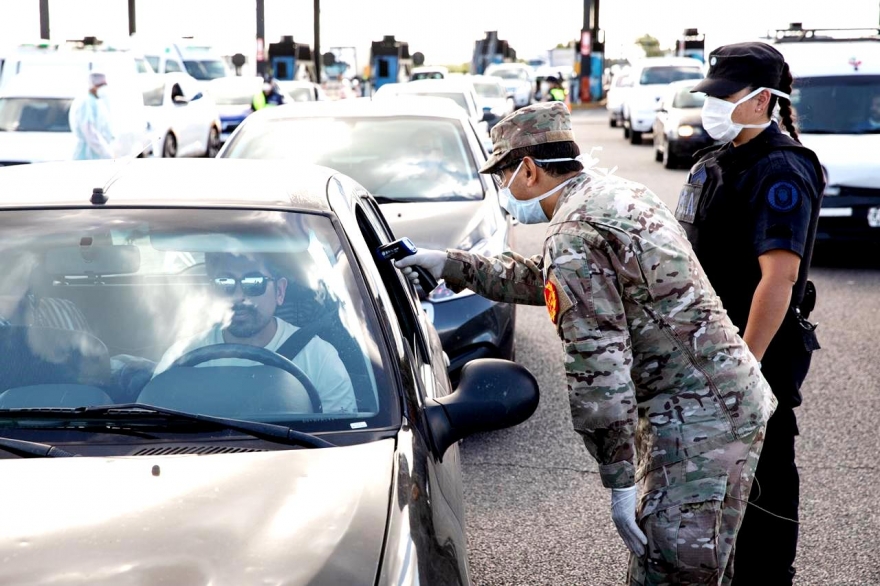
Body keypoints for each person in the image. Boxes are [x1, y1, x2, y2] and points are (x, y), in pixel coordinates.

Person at [397, 102, 776, 585]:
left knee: (672, 573)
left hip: (699, 421)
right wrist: (446, 262)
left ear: (528, 170)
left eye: (503, 175)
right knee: (704, 567)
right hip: (718, 402)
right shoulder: (612, 194)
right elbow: (552, 281)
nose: (503, 190)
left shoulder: (575, 232)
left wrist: (619, 481)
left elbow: (600, 372)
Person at [675, 42, 824, 585]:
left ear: (763, 101)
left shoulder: (780, 169)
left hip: (752, 358)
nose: (713, 105)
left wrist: (745, 368)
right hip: (709, 354)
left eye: (726, 96)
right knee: (714, 483)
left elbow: (779, 278)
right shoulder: (716, 160)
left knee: (763, 480)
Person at [154, 252, 357, 414]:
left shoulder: (320, 358)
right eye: (225, 283)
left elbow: (342, 440)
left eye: (254, 283)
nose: (239, 296)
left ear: (280, 291)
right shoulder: (179, 358)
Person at [69, 72, 115, 160]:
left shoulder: (96, 102)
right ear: (93, 85)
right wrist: (106, 153)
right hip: (86, 156)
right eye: (101, 85)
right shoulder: (86, 102)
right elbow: (90, 133)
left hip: (94, 155)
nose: (104, 88)